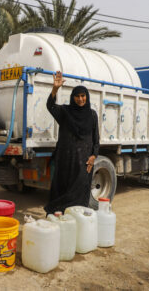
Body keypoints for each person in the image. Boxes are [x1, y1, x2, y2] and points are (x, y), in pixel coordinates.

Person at [44, 71, 100, 215]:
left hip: (84, 163)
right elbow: (50, 105)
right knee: (61, 191)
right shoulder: (65, 112)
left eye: (83, 96)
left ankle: (75, 221)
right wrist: (55, 88)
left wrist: (94, 156)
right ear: (72, 97)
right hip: (65, 161)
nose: (80, 99)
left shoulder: (92, 115)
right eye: (77, 96)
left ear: (86, 97)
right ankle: (57, 219)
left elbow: (96, 138)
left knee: (79, 194)